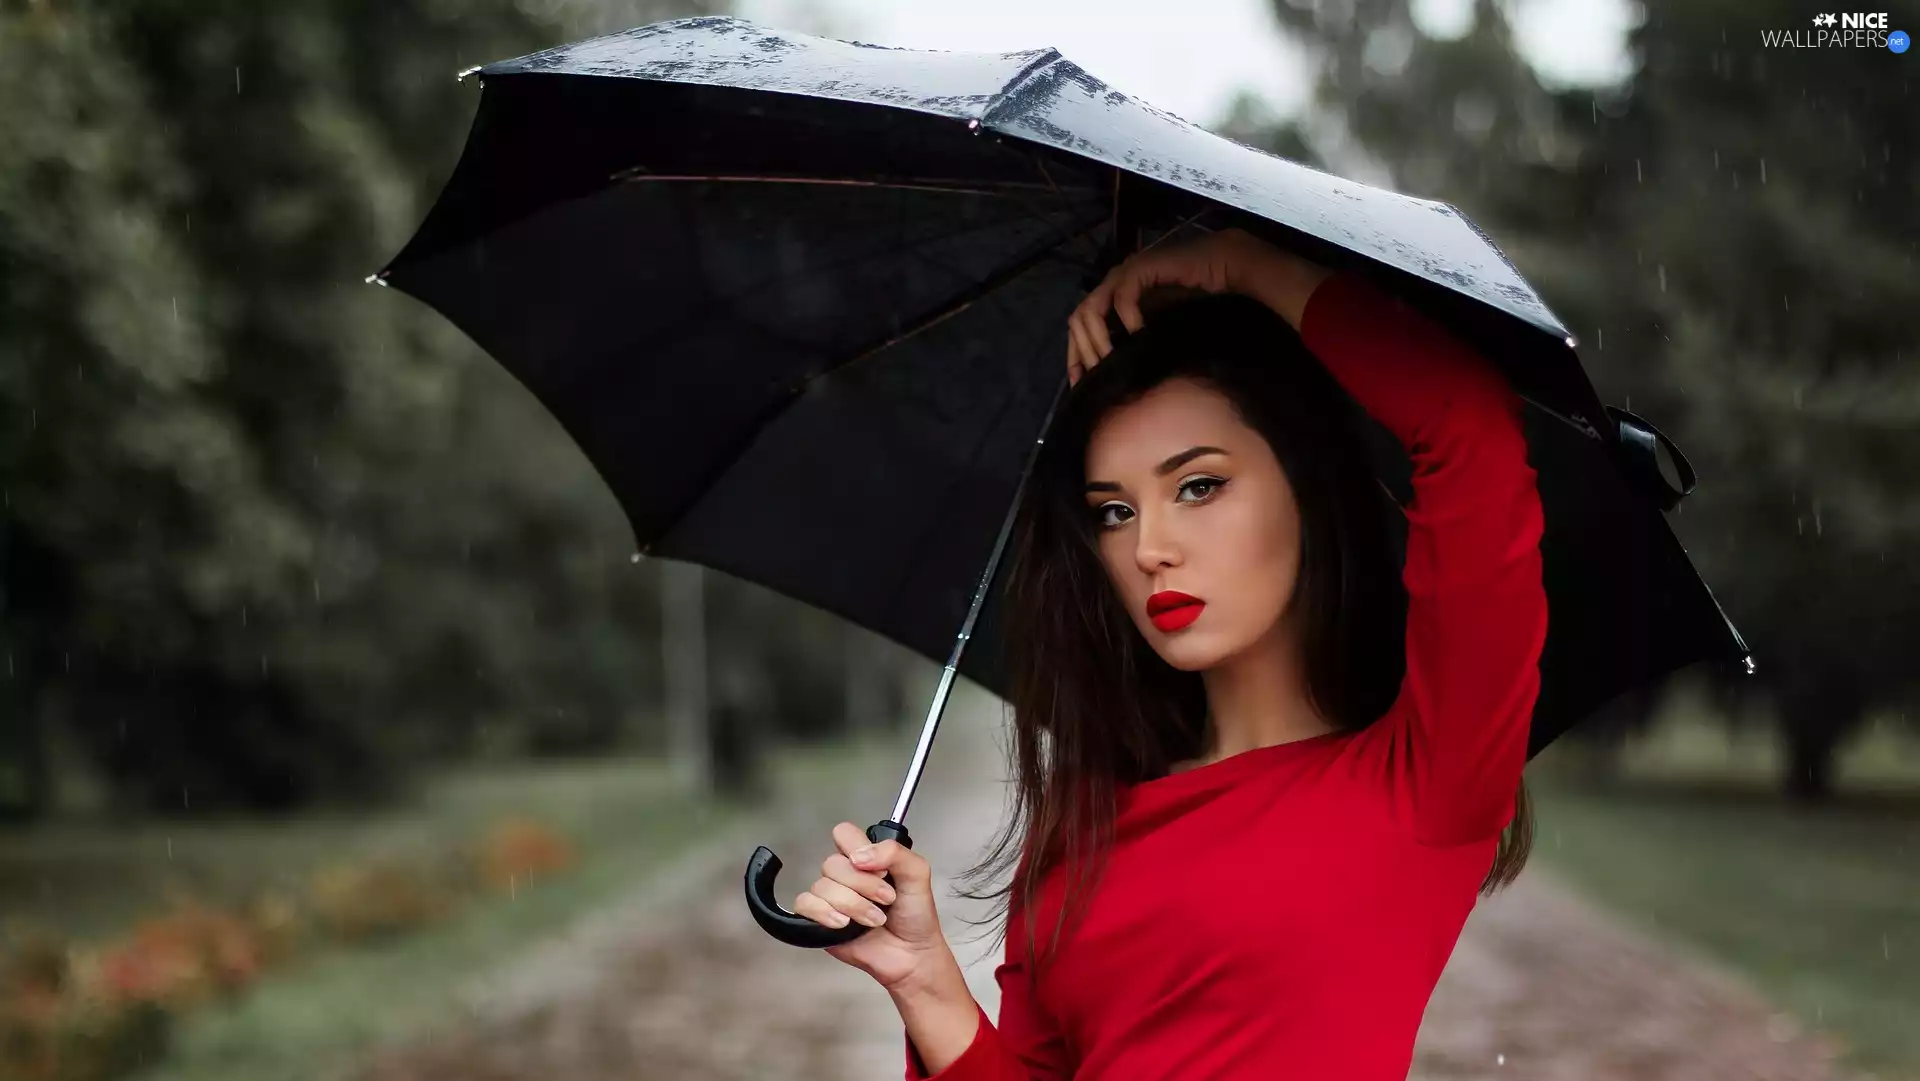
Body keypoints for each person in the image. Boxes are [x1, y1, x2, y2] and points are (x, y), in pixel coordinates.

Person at [789, 226, 1548, 1079]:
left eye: (1198, 485)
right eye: (1114, 510)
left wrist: (1242, 267)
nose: (1150, 545)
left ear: (1306, 490)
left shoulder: (1426, 779)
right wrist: (924, 981)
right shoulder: (1083, 823)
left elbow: (1467, 424)